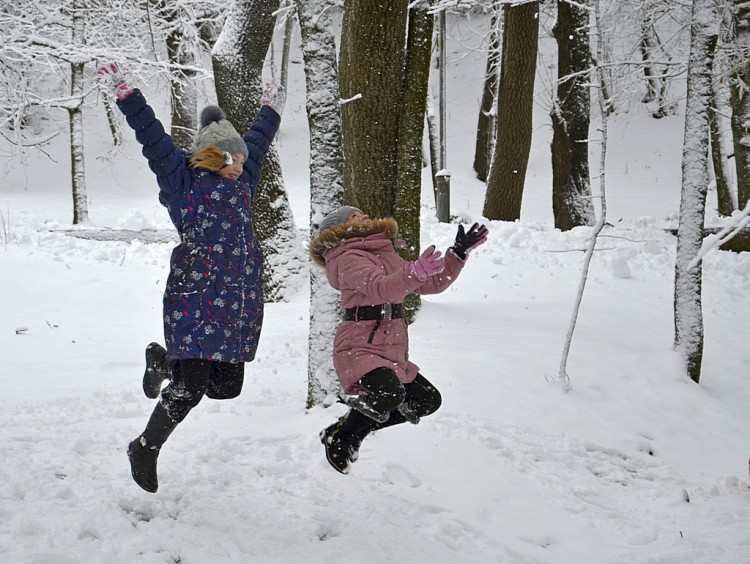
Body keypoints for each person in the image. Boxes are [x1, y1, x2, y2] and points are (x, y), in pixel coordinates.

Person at [95, 63, 285, 493]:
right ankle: (145, 445)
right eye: (231, 158)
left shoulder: (243, 184)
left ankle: (161, 361)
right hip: (197, 295)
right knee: (192, 386)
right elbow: (154, 139)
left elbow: (259, 141)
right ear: (211, 156)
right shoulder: (182, 183)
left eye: (240, 159)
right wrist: (129, 96)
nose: (240, 164)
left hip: (237, 299)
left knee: (226, 387)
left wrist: (271, 110)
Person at [309, 206, 488, 474]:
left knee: (427, 401)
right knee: (390, 394)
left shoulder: (383, 252)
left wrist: (457, 253)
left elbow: (432, 283)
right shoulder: (345, 257)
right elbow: (382, 287)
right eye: (356, 216)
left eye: (364, 213)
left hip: (391, 347)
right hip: (359, 346)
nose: (366, 216)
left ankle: (349, 431)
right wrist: (414, 272)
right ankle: (345, 434)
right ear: (340, 228)